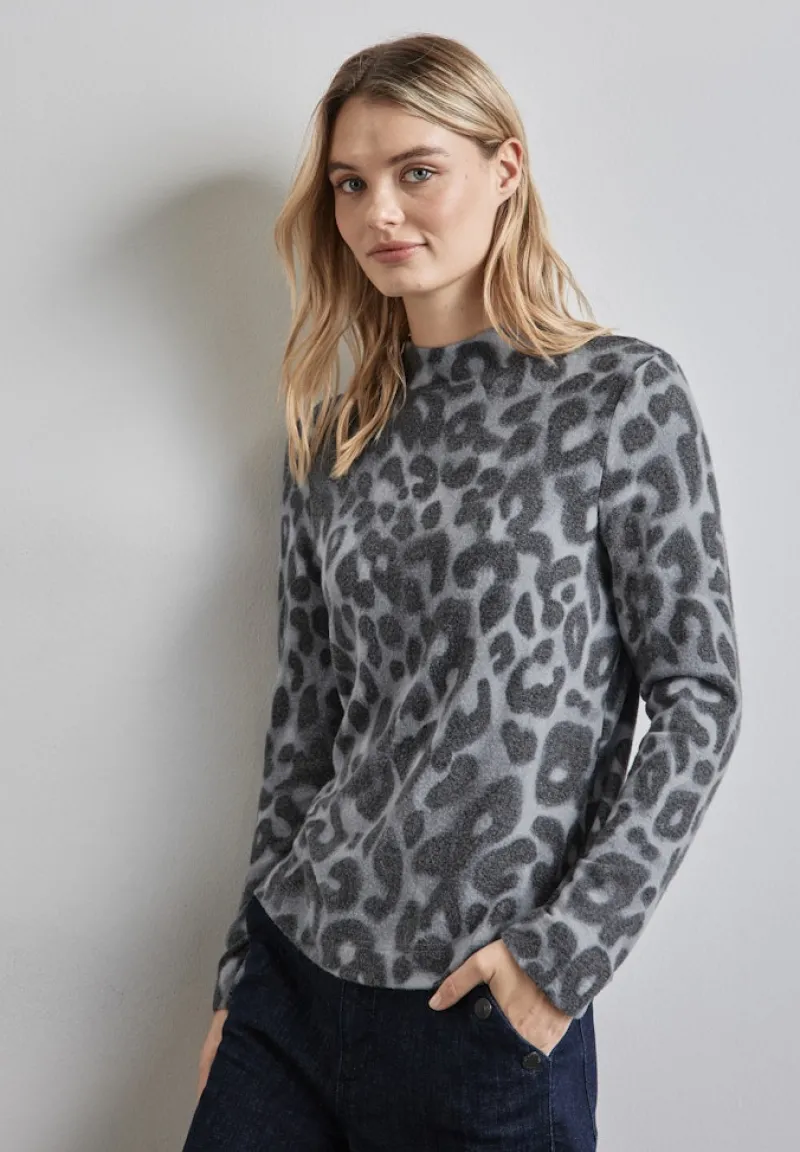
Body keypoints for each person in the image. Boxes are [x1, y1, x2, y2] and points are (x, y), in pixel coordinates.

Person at [181, 31, 743, 1152]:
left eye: (416, 171)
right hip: (292, 986)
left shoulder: (618, 399)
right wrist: (240, 978)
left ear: (505, 169)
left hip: (478, 1009)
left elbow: (699, 698)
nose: (379, 212)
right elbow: (305, 726)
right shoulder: (329, 439)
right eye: (351, 184)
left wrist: (561, 958)